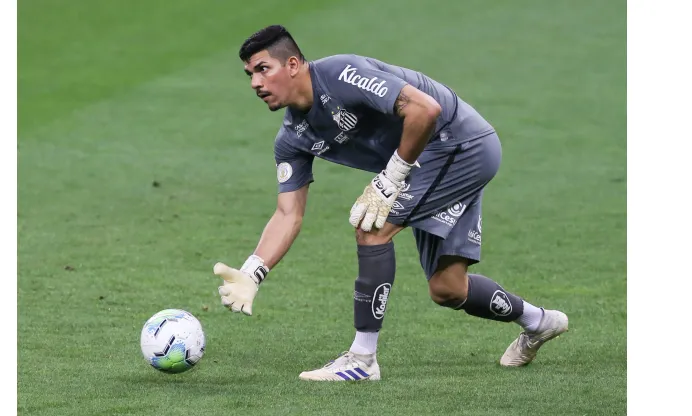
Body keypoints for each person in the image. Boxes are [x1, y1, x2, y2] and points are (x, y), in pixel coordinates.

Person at [213, 24, 568, 381]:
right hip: (431, 162)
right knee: (448, 288)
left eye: (263, 69)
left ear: (292, 65)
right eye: (249, 75)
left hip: (458, 144)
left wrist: (391, 177)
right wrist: (252, 273)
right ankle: (539, 322)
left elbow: (425, 110)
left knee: (372, 228)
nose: (255, 83)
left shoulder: (339, 74)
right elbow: (288, 213)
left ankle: (362, 360)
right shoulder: (292, 138)